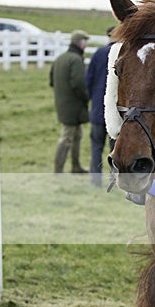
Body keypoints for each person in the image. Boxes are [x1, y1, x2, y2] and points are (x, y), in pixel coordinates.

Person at [50, 30, 90, 174]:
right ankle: (58, 170)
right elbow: (78, 83)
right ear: (80, 42)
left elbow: (51, 81)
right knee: (67, 137)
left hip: (63, 103)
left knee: (77, 135)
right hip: (74, 105)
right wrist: (87, 96)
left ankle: (76, 166)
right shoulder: (76, 59)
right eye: (85, 40)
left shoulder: (60, 58)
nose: (86, 43)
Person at [85, 26, 114, 187]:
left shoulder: (99, 54)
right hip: (116, 113)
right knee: (115, 149)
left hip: (97, 110)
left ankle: (95, 181)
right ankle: (114, 181)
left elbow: (88, 80)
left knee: (96, 147)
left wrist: (93, 99)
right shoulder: (125, 52)